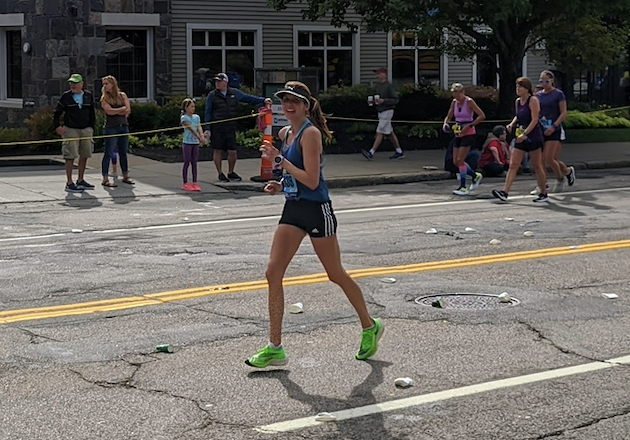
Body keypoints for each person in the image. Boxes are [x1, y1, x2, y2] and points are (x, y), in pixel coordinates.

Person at [246, 81, 383, 368]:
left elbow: (311, 179)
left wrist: (279, 160)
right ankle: (275, 347)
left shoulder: (310, 134)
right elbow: (295, 180)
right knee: (273, 272)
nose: (289, 105)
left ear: (306, 105)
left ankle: (369, 325)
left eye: (295, 101)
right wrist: (280, 184)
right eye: (285, 100)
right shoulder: (287, 133)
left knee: (335, 274)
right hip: (294, 209)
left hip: (318, 210)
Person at [204, 72, 271, 182]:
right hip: (217, 127)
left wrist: (263, 100)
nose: (217, 83)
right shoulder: (212, 95)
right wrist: (207, 128)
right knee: (218, 150)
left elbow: (248, 98)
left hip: (230, 127)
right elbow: (208, 112)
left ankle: (231, 172)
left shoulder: (234, 93)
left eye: (219, 81)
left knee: (233, 151)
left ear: (225, 82)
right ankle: (220, 173)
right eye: (216, 81)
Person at [492, 77, 548, 203]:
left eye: (520, 87)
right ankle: (505, 192)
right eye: (517, 86)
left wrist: (526, 133)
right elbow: (518, 115)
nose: (518, 89)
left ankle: (544, 192)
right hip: (520, 134)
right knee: (513, 164)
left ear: (527, 89)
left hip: (533, 135)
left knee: (537, 165)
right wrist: (512, 124)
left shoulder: (533, 100)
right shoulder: (518, 101)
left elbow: (535, 119)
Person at [53, 73, 96, 193]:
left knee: (85, 153)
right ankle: (69, 182)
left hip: (86, 129)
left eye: (75, 83)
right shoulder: (66, 96)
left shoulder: (88, 95)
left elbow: (92, 112)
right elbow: (57, 112)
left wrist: (91, 127)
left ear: (81, 84)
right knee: (70, 155)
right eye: (71, 83)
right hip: (71, 129)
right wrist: (57, 126)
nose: (73, 85)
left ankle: (81, 180)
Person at [535, 70, 574, 194]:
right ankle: (542, 184)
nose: (544, 83)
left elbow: (563, 113)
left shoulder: (558, 94)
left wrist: (554, 126)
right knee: (539, 160)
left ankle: (560, 178)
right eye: (541, 81)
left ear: (552, 81)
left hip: (554, 129)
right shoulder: (538, 95)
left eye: (546, 81)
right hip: (541, 129)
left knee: (550, 159)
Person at [442, 83, 486, 195]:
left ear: (463, 92)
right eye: (454, 93)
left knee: (460, 159)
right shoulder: (454, 103)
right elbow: (449, 115)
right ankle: (474, 175)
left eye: (458, 93)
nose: (456, 96)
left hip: (468, 133)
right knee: (456, 161)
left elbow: (481, 115)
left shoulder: (469, 102)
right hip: (458, 132)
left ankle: (463, 186)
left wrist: (470, 125)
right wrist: (446, 123)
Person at [361, 67, 405, 160]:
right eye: (377, 74)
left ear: (384, 74)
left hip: (388, 111)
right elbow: (378, 99)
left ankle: (371, 152)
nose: (377, 75)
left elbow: (395, 99)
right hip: (381, 111)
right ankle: (399, 151)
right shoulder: (378, 86)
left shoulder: (389, 86)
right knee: (390, 132)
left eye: (379, 73)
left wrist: (384, 101)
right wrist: (372, 102)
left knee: (379, 131)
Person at [100, 75, 134, 187]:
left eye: (107, 84)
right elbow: (109, 111)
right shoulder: (104, 98)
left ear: (113, 84)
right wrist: (121, 110)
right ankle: (105, 178)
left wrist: (118, 111)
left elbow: (128, 110)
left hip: (123, 126)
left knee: (123, 152)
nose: (105, 86)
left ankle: (125, 175)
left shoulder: (122, 95)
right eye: (103, 84)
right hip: (111, 128)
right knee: (108, 152)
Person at [180, 98, 205, 191]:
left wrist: (202, 136)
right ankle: (185, 183)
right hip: (187, 142)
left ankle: (195, 182)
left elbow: (199, 127)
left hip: (195, 143)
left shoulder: (196, 117)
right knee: (187, 161)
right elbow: (191, 129)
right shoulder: (184, 118)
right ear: (186, 108)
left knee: (194, 163)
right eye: (191, 107)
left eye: (194, 107)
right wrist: (199, 137)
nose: (193, 108)